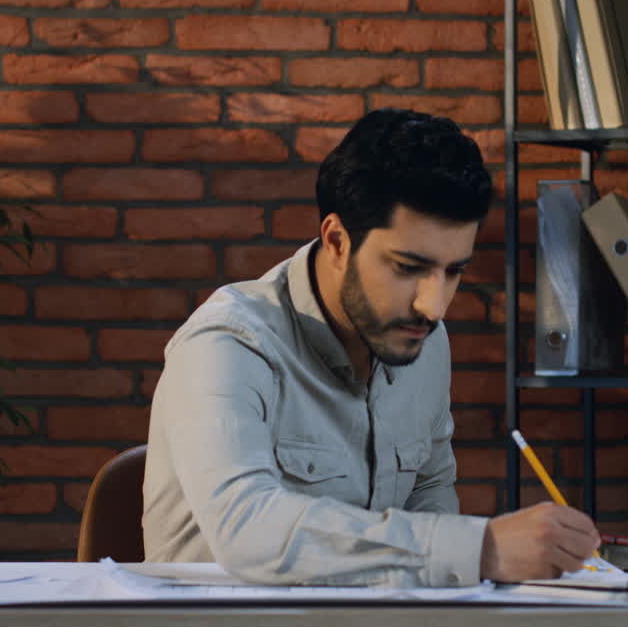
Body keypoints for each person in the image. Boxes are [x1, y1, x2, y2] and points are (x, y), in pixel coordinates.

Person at [143, 108, 599, 586]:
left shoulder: (425, 339)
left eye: (453, 271)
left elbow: (430, 494)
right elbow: (245, 529)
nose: (434, 305)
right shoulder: (227, 344)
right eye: (408, 267)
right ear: (338, 241)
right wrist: (480, 548)